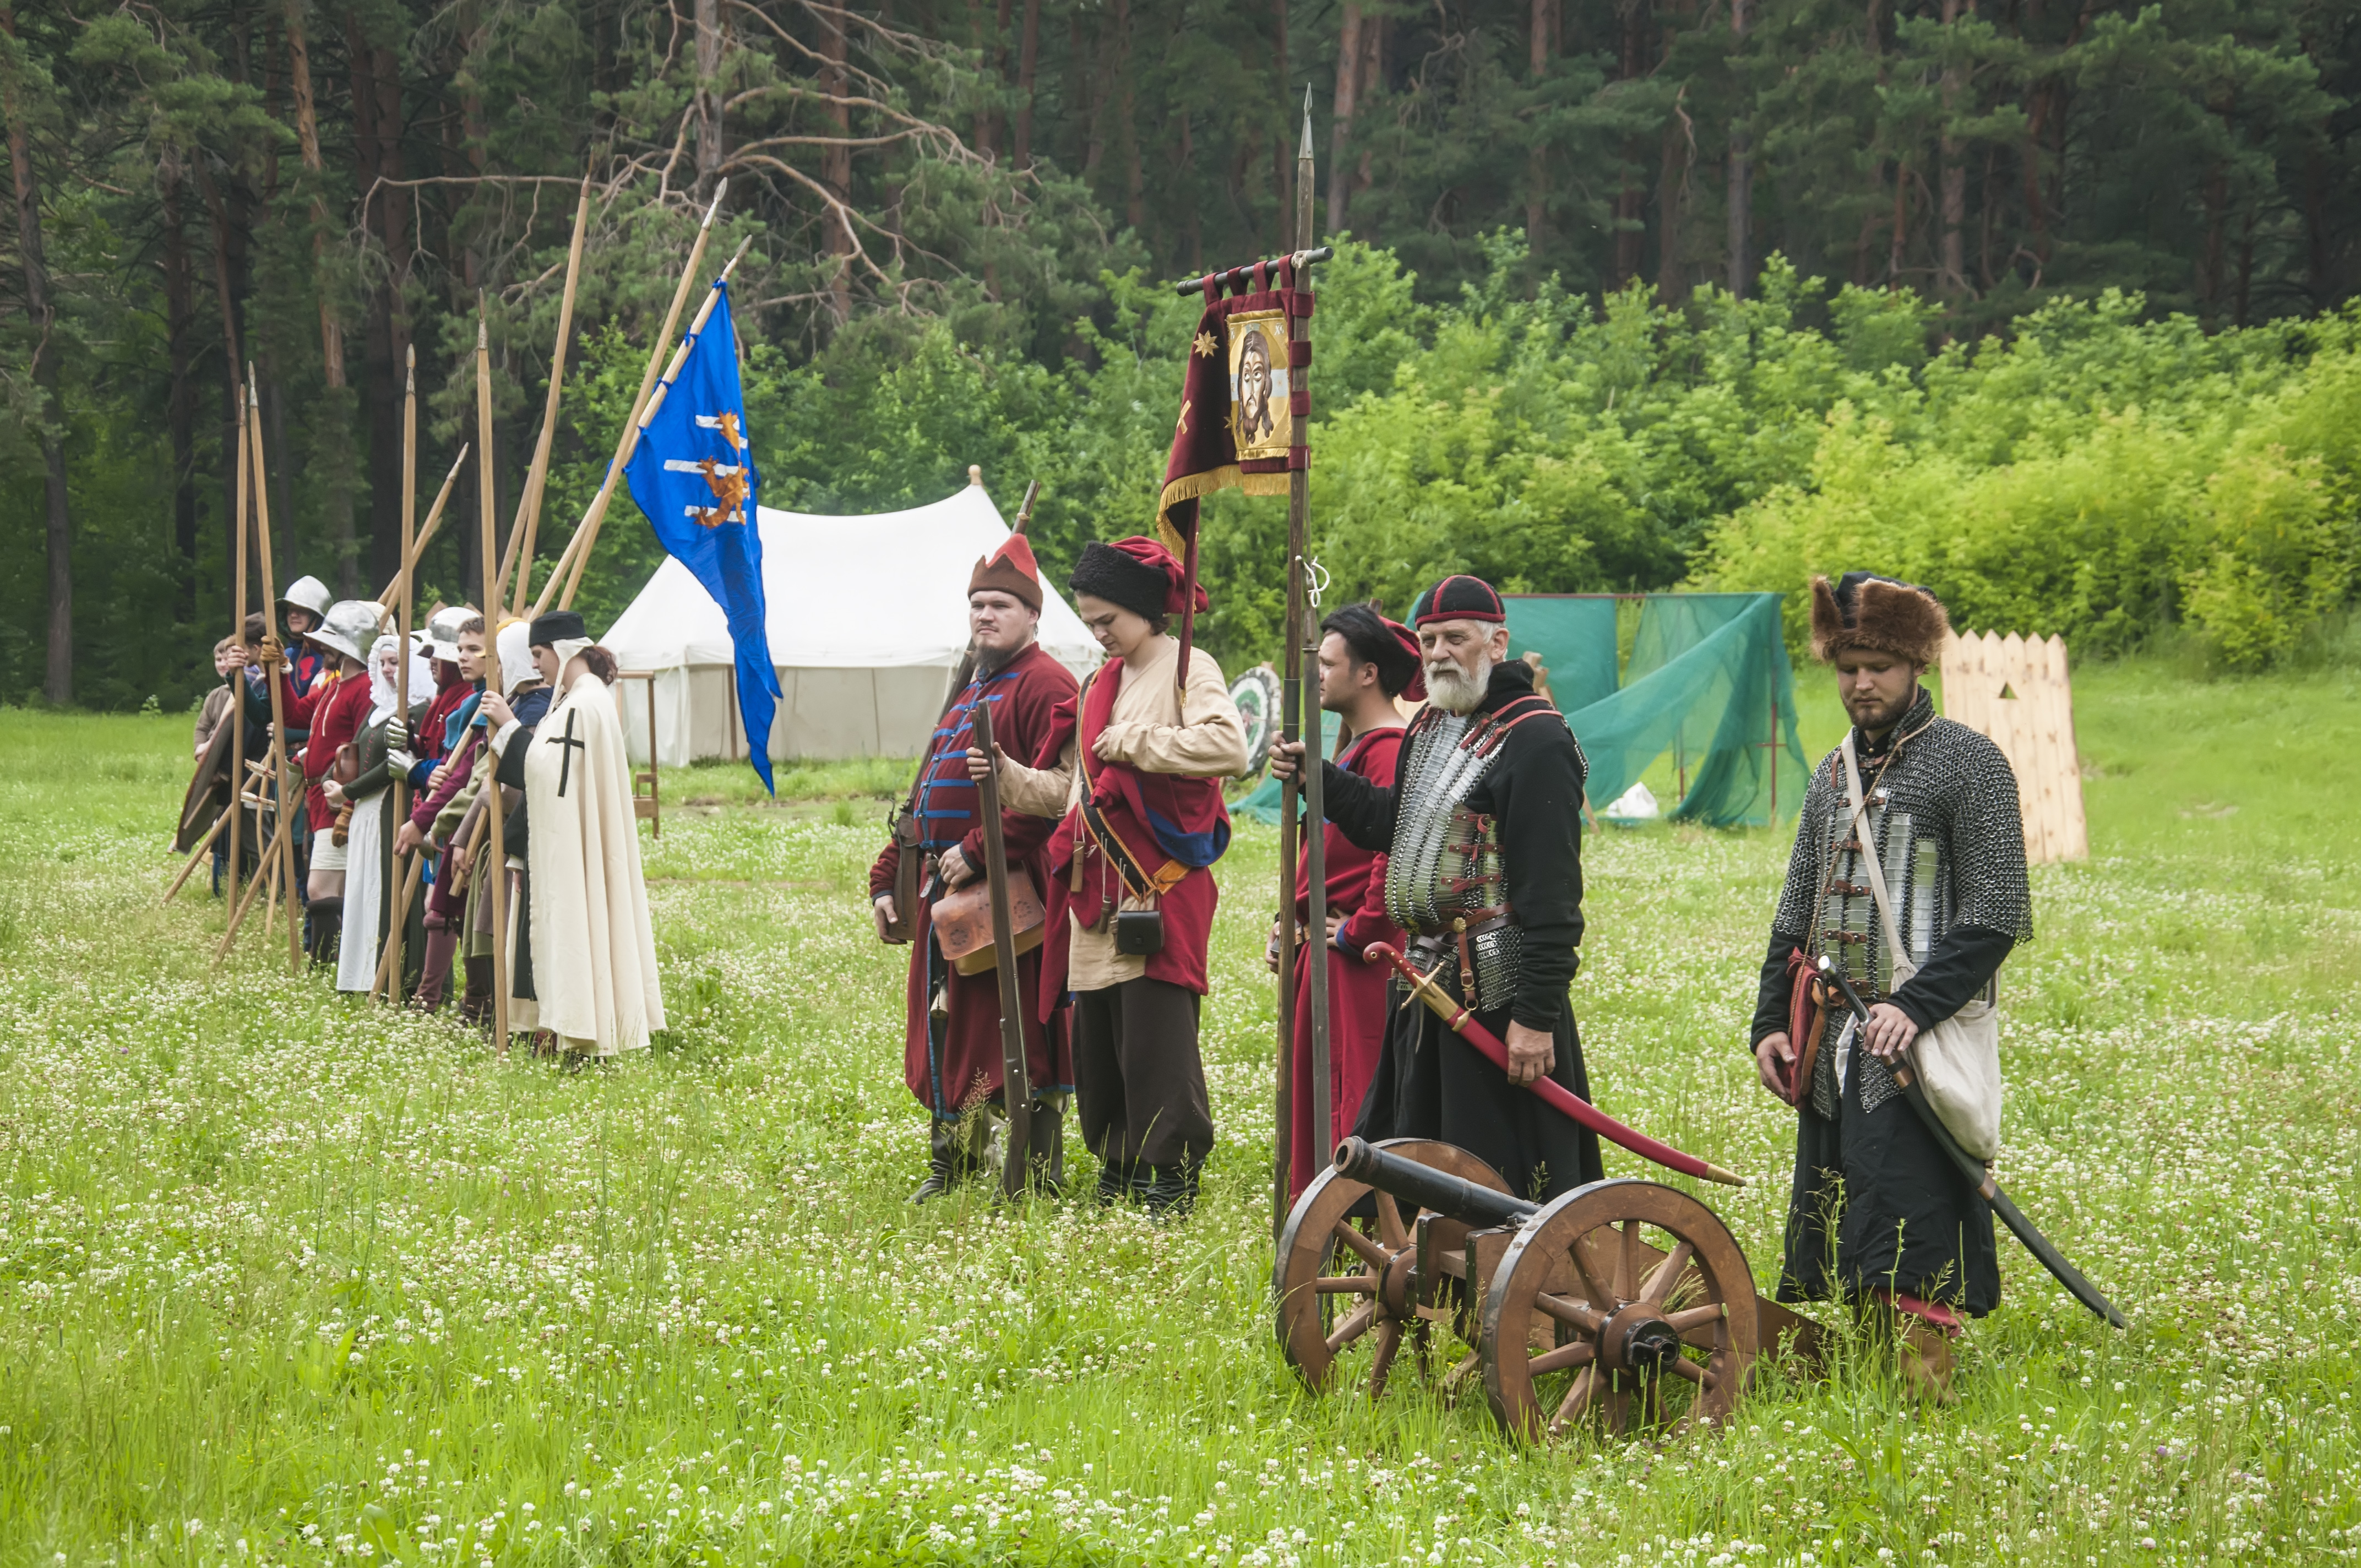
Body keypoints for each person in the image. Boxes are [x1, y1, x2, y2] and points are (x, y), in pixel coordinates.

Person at [1748, 573, 2031, 1401]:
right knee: (1850, 1207)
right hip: (1834, 1036)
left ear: (1914, 665)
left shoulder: (1969, 765)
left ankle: (1923, 1393)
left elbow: (1994, 918)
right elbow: (1796, 911)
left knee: (1911, 1209)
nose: (1861, 683)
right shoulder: (1831, 774)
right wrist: (1772, 1019)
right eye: (1847, 667)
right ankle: (1874, 1385)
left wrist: (1912, 1004)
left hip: (1917, 1035)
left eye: (1877, 665)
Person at [1270, 573, 1601, 1204]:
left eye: (1455, 638)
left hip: (1498, 995)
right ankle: (1426, 1282)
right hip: (1422, 982)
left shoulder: (1535, 738)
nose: (1439, 653)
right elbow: (1392, 823)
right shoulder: (1431, 727)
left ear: (1497, 642)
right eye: (1427, 641)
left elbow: (1552, 899)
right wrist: (1318, 775)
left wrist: (1534, 1020)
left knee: (1496, 1168)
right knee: (1412, 1150)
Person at [982, 537, 1249, 1216]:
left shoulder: (1189, 666)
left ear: (1141, 609)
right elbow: (1075, 791)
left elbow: (1228, 748)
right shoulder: (1100, 682)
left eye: (1109, 620)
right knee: (1099, 1040)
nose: (1099, 634)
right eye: (1091, 621)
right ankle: (1121, 1164)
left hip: (1157, 884)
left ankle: (1172, 1171)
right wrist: (1007, 776)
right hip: (1094, 890)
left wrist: (1136, 743)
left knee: (1157, 1036)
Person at [870, 534, 1080, 1201]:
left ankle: (1031, 1169)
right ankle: (953, 1162)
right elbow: (925, 791)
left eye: (1000, 605)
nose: (985, 616)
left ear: (1032, 616)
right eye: (977, 605)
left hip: (1008, 890)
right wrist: (886, 878)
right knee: (946, 1026)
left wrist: (981, 851)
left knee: (1013, 1032)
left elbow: (1054, 793)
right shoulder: (971, 687)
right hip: (944, 889)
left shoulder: (1048, 684)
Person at [1268, 602, 1418, 1204]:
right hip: (1326, 958)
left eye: (1328, 663)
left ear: (1367, 673)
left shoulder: (1386, 749)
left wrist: (1358, 932)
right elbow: (1321, 855)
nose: (1317, 675)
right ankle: (1316, 1220)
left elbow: (1394, 854)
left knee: (1346, 1101)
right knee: (1315, 1097)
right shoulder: (1358, 750)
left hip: (1356, 968)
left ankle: (1345, 1220)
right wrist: (1291, 919)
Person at [480, 610, 665, 1058]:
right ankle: (571, 1030)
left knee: (579, 928)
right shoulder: (577, 700)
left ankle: (583, 1032)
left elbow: (548, 777)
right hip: (570, 843)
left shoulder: (584, 704)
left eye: (539, 655)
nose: (537, 666)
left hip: (574, 848)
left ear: (562, 651)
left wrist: (507, 726)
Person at [323, 633, 433, 995]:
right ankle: (361, 975)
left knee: (389, 886)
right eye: (383, 662)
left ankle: (399, 977)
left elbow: (393, 765)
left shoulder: (417, 708)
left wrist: (348, 792)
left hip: (394, 807)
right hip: (367, 813)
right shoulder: (377, 707)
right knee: (365, 886)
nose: (387, 670)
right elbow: (355, 749)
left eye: (396, 663)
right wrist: (330, 780)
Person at [279, 575, 334, 698]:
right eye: (290, 610)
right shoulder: (284, 657)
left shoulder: (331, 658)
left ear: (316, 616)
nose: (293, 615)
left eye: (301, 610)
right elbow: (263, 713)